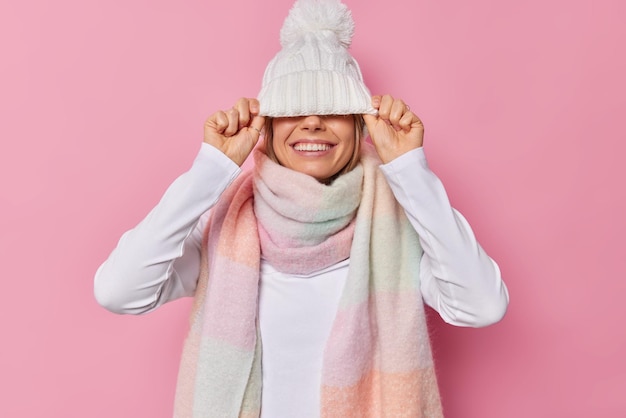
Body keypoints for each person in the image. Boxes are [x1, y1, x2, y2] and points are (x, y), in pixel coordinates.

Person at [94, 0, 509, 416]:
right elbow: (120, 291)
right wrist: (211, 169)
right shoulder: (224, 225)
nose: (312, 122)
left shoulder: (399, 224)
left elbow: (481, 305)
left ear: (361, 124)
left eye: (332, 107)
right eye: (293, 108)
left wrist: (409, 170)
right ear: (269, 126)